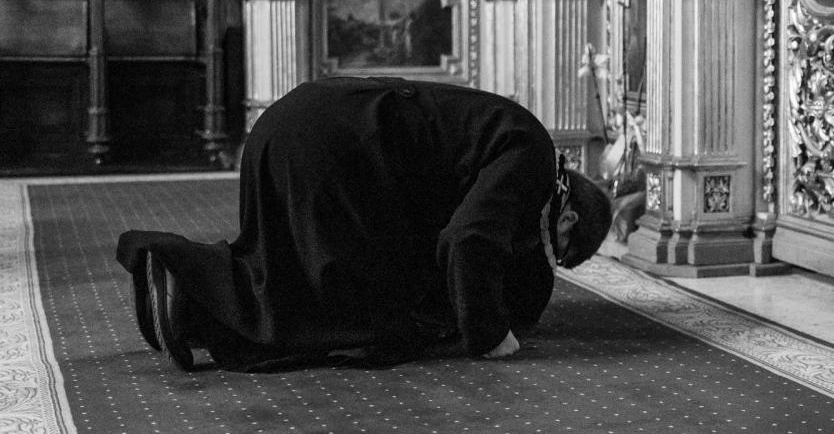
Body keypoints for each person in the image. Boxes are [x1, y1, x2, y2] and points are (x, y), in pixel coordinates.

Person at [116, 76, 612, 372]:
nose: (542, 252)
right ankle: (184, 274)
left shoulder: (526, 142)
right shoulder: (535, 161)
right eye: (561, 249)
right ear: (567, 218)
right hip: (331, 145)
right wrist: (488, 334)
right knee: (361, 317)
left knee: (289, 274)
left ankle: (184, 306)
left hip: (295, 124)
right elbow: (470, 239)